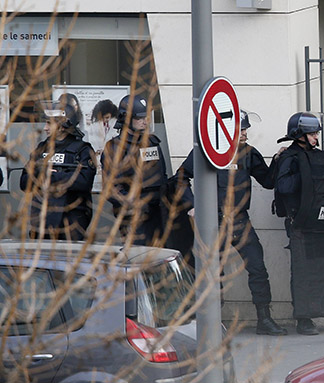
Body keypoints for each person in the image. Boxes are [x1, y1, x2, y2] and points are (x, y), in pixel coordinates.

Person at [171, 109, 288, 336]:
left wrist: (277, 160)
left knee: (257, 267)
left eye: (244, 129)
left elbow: (268, 181)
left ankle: (264, 319)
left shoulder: (248, 153)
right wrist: (192, 205)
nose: (245, 133)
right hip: (214, 222)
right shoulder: (206, 152)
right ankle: (211, 324)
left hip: (240, 221)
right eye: (240, 129)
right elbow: (180, 178)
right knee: (213, 274)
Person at [274, 111, 324, 335]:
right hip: (302, 225)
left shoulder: (320, 156)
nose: (316, 138)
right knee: (304, 272)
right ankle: (304, 318)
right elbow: (283, 187)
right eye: (312, 133)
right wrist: (306, 175)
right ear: (299, 134)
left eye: (317, 133)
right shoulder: (289, 158)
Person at [20, 100, 96, 240]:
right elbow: (24, 182)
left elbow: (84, 182)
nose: (45, 128)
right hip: (42, 220)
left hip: (71, 222)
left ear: (62, 126)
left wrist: (51, 177)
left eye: (49, 123)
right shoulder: (41, 149)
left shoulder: (83, 150)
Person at [101, 94, 168, 246]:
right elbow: (111, 189)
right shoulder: (115, 147)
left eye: (147, 117)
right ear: (126, 118)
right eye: (140, 118)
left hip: (157, 214)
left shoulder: (152, 143)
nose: (145, 121)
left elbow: (162, 176)